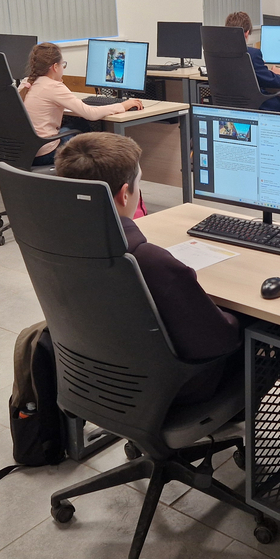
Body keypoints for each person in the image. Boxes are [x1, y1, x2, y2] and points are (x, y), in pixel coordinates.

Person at [55, 132, 242, 402]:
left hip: (94, 379)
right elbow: (219, 339)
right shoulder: (151, 261)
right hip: (174, 389)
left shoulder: (56, 242)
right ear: (124, 194)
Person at [18, 42, 143, 166]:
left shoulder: (25, 83)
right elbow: (91, 114)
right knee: (82, 124)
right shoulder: (53, 87)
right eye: (63, 65)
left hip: (24, 152)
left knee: (70, 125)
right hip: (45, 154)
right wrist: (123, 105)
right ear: (55, 67)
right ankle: (94, 167)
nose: (63, 68)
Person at [225, 11, 280, 112]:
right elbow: (272, 81)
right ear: (246, 33)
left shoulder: (218, 53)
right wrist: (278, 75)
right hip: (256, 104)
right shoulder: (252, 54)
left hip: (227, 104)